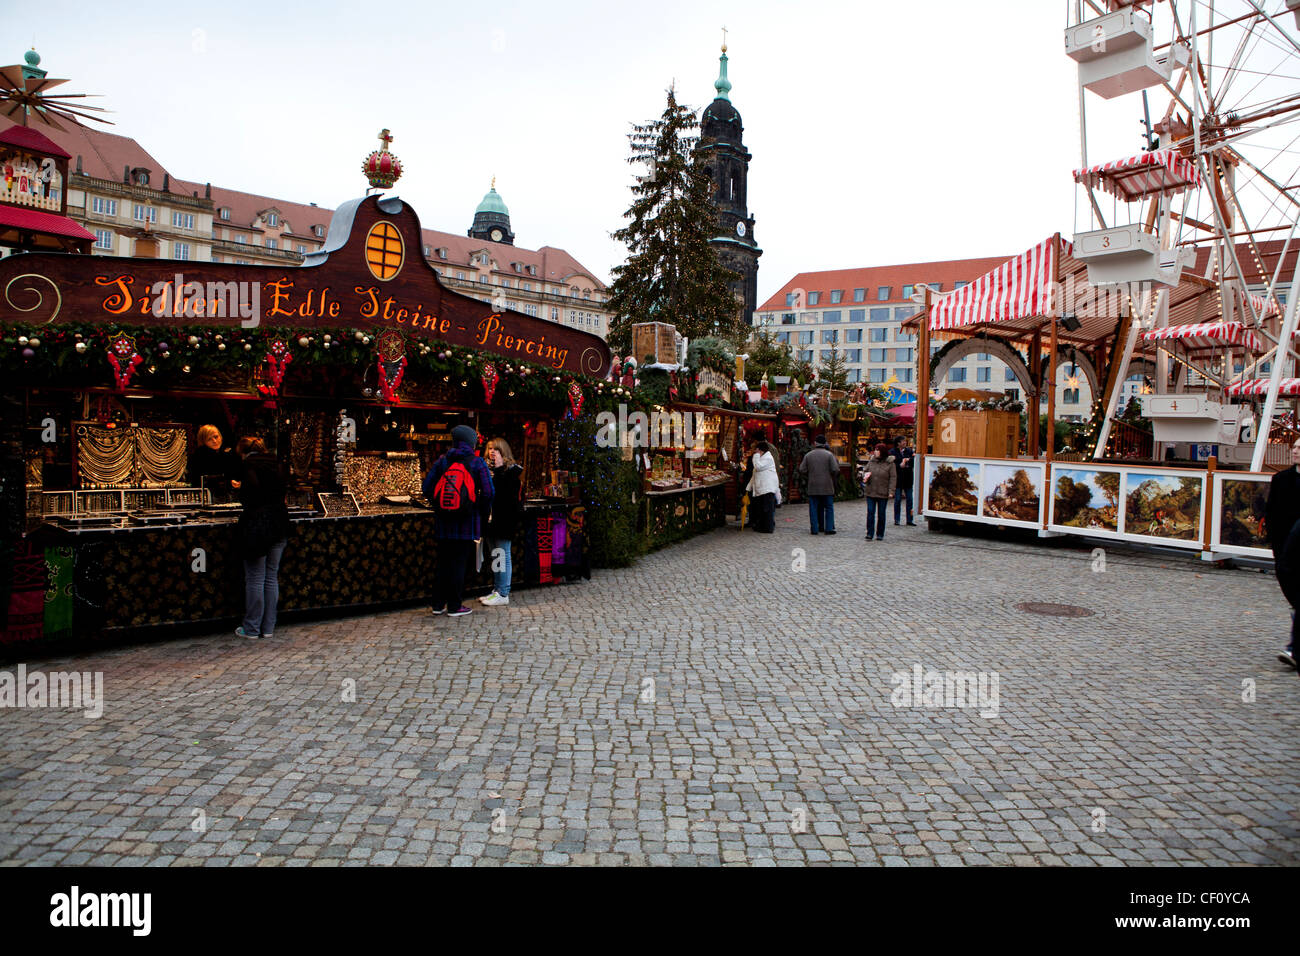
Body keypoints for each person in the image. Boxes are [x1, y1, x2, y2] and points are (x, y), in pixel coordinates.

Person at [423, 424, 494, 618]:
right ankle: (455, 606)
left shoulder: (442, 461)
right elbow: (489, 492)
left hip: (443, 522)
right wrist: (479, 510)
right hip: (466, 522)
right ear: (471, 442)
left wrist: (439, 505)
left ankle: (438, 604)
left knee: (443, 562)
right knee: (459, 563)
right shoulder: (477, 463)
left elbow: (426, 487)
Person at [234, 436, 290, 640]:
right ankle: (268, 627)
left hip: (257, 524)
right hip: (279, 521)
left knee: (255, 577)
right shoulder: (277, 464)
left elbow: (248, 496)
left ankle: (251, 627)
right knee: (271, 576)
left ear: (243, 451)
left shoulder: (248, 465)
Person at [1265, 437, 1300, 670]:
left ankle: (1295, 648)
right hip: (1286, 551)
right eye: (1295, 447)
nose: (1295, 451)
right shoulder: (1281, 479)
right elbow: (1272, 514)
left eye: (1299, 448)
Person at [481, 437, 522, 607]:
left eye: (496, 449)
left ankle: (503, 592)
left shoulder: (511, 473)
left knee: (502, 555)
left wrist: (497, 472)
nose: (492, 452)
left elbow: (507, 497)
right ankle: (497, 588)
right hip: (491, 521)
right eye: (490, 448)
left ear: (503, 452)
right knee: (495, 556)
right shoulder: (488, 471)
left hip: (503, 521)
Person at [800, 434, 840, 535]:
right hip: (827, 485)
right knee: (829, 507)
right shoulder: (829, 455)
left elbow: (802, 469)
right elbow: (835, 469)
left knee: (813, 507)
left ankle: (814, 528)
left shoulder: (808, 455)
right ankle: (829, 528)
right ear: (825, 443)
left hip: (813, 485)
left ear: (815, 443)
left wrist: (810, 474)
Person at [190, 424, 239, 501]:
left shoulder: (229, 453)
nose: (214, 441)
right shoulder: (199, 456)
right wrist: (229, 482)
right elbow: (201, 479)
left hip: (230, 496)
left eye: (216, 437)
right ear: (203, 441)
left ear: (221, 437)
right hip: (207, 497)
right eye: (209, 439)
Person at [861, 443, 897, 541]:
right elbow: (865, 471)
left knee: (881, 514)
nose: (876, 452)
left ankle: (880, 533)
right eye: (875, 450)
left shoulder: (890, 464)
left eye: (877, 450)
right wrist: (865, 476)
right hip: (871, 491)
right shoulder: (872, 461)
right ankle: (869, 533)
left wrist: (891, 491)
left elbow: (893, 478)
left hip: (883, 492)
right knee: (870, 513)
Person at [746, 440, 779, 533]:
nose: (755, 453)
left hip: (767, 488)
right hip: (763, 488)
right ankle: (763, 526)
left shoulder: (767, 458)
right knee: (763, 508)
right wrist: (749, 487)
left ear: (760, 450)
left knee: (767, 509)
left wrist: (755, 456)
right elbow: (755, 473)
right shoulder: (764, 457)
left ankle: (767, 528)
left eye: (756, 451)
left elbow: (757, 467)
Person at [892, 436, 916, 526]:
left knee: (910, 500)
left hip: (908, 479)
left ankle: (910, 519)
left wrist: (908, 460)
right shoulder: (892, 452)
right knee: (897, 500)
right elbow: (892, 464)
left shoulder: (909, 451)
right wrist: (900, 465)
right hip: (898, 479)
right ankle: (897, 519)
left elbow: (914, 460)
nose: (905, 443)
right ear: (898, 443)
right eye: (903, 441)